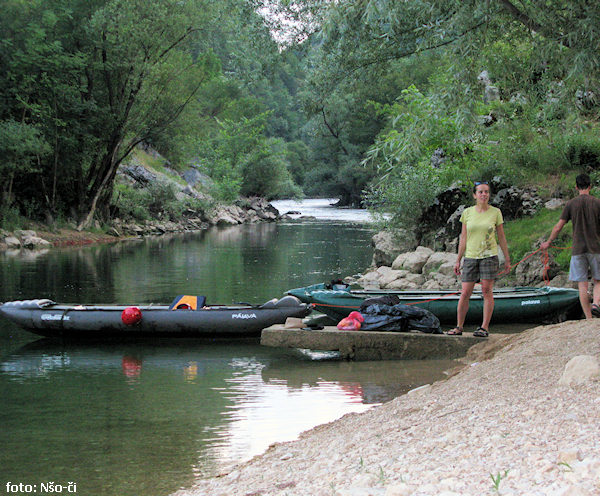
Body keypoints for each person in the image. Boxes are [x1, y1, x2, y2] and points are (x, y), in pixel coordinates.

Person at [447, 181, 511, 337]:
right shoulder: (467, 213)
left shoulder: (495, 212)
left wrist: (507, 259)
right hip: (470, 256)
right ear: (475, 195)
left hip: (489, 256)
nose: (484, 195)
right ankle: (459, 326)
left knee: (486, 291)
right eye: (481, 192)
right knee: (465, 292)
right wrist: (458, 259)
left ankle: (484, 327)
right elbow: (463, 237)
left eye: (486, 192)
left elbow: (501, 237)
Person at [540, 173, 600, 319]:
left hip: (578, 250)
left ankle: (588, 318)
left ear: (576, 187)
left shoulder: (571, 204)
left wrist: (548, 242)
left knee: (582, 285)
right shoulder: (597, 203)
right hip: (596, 248)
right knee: (598, 280)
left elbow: (558, 227)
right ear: (590, 186)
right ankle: (596, 304)